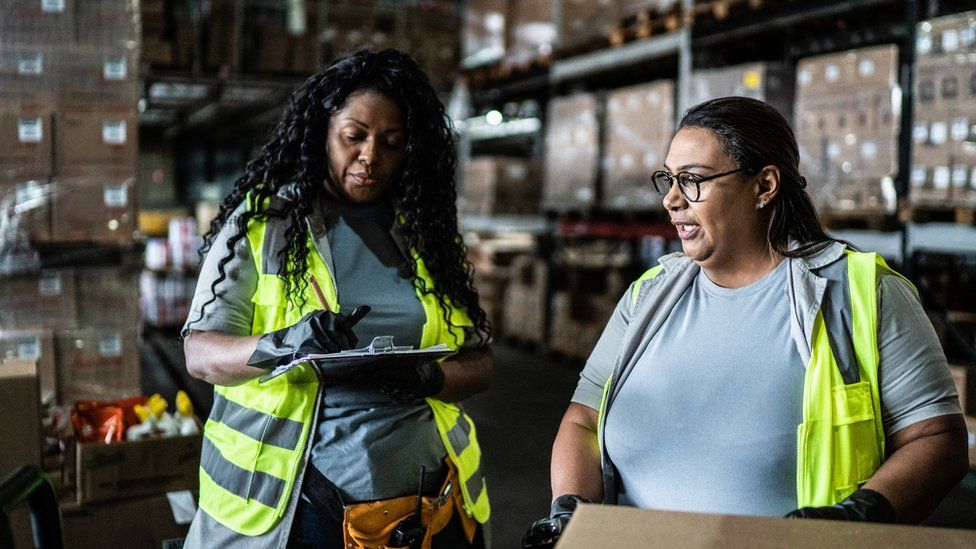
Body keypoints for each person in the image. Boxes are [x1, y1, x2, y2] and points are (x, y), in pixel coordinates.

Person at [523, 96, 969, 547]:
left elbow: (937, 439)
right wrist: (570, 510)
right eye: (669, 180)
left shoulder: (860, 292)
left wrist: (857, 518)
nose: (672, 200)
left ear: (765, 185)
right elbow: (582, 420)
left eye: (693, 180)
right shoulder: (649, 295)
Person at [181, 49, 493, 549]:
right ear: (322, 131)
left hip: (433, 504)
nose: (372, 156)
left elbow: (480, 361)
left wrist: (429, 377)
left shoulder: (423, 234)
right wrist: (285, 344)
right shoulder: (266, 224)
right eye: (355, 137)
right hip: (298, 505)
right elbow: (201, 355)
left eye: (392, 143)